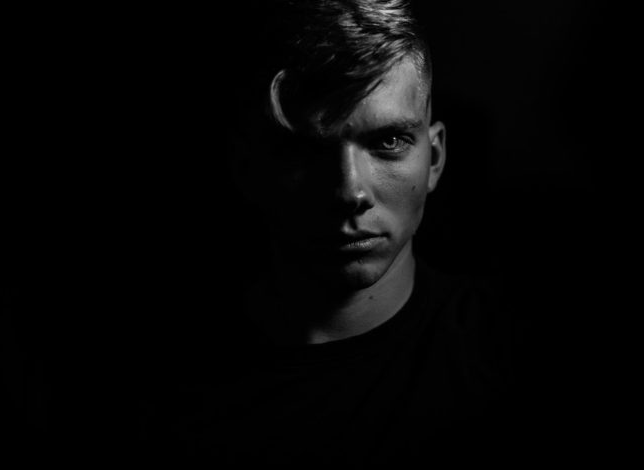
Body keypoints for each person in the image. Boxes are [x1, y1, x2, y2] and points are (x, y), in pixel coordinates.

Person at [130, 1, 518, 466]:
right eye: (306, 150)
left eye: (388, 141)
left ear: (433, 159)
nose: (350, 190)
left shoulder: (516, 358)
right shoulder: (159, 391)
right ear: (246, 166)